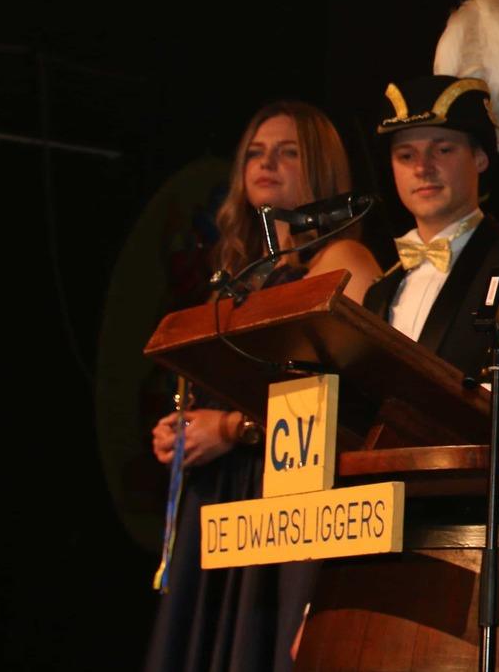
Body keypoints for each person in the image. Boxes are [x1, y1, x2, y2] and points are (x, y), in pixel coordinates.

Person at [144, 100, 381, 672]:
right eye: (255, 152)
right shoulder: (241, 272)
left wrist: (231, 429)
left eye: (287, 152)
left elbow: (346, 404)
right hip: (222, 497)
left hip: (284, 503)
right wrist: (183, 429)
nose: (266, 163)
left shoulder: (343, 259)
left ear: (322, 167)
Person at [366, 74, 499, 377]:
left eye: (443, 150)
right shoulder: (378, 293)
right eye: (406, 155)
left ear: (480, 158)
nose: (422, 168)